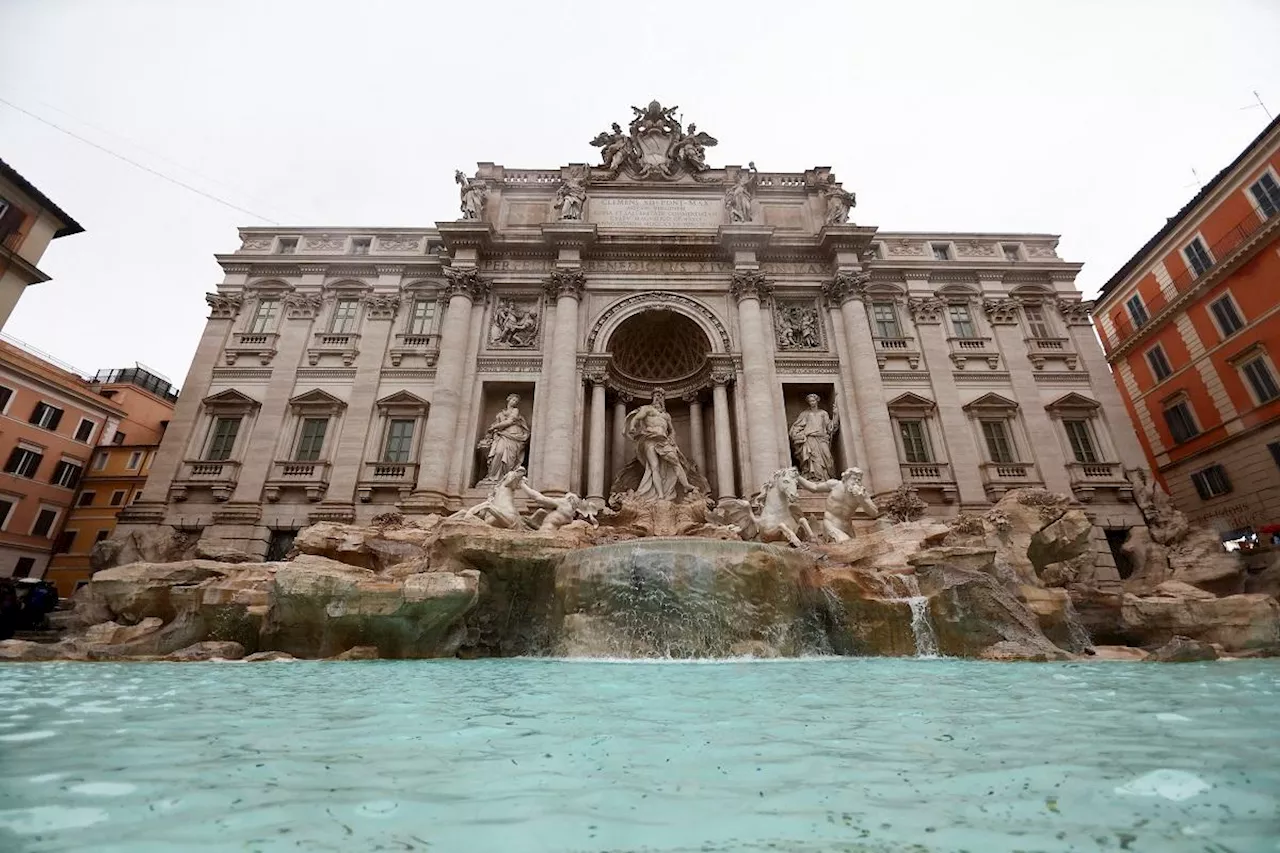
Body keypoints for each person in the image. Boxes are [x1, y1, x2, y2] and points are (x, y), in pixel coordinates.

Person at [625, 388, 695, 501]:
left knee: (675, 461)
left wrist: (672, 438)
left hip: (663, 441)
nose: (658, 398)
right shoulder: (647, 409)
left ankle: (686, 485)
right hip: (649, 439)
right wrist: (632, 426)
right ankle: (661, 495)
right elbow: (636, 418)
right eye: (656, 395)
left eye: (661, 396)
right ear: (652, 397)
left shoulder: (666, 416)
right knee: (654, 467)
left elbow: (671, 430)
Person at [478, 394, 531, 485]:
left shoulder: (515, 411)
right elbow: (495, 426)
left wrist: (495, 427)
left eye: (516, 401)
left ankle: (506, 477)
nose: (514, 402)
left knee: (510, 458)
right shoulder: (500, 414)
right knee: (499, 452)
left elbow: (509, 421)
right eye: (513, 400)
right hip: (502, 436)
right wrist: (491, 432)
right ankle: (493, 476)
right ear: (508, 400)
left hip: (514, 435)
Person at [789, 394, 839, 481]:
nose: (812, 403)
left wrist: (836, 415)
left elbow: (830, 428)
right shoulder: (805, 414)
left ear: (817, 401)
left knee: (828, 458)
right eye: (810, 401)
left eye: (813, 401)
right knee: (813, 459)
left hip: (822, 438)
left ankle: (827, 477)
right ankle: (815, 478)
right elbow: (796, 427)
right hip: (810, 439)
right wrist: (797, 435)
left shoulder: (823, 413)